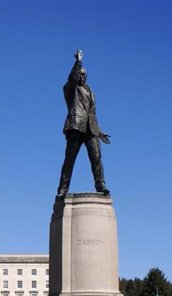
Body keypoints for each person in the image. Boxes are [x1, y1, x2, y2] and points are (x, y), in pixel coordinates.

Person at [56, 49, 111, 199]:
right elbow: (72, 78)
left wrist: (99, 132)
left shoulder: (90, 92)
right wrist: (78, 62)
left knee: (97, 158)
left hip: (90, 129)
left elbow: (91, 114)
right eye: (79, 73)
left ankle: (101, 185)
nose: (81, 76)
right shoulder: (70, 89)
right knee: (69, 160)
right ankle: (62, 189)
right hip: (75, 126)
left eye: (83, 74)